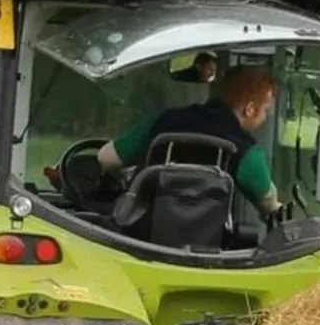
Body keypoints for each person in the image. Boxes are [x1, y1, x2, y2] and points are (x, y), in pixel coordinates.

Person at [97, 64, 280, 216]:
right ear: (250, 109)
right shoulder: (247, 152)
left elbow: (106, 159)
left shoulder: (163, 120)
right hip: (208, 250)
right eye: (266, 111)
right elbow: (269, 205)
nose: (265, 118)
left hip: (141, 239)